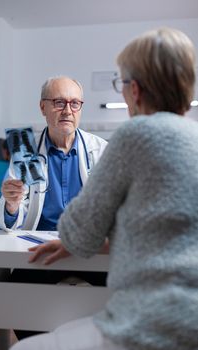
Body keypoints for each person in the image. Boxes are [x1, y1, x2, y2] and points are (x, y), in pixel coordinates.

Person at [10, 27, 198, 350]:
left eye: (121, 84)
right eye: (59, 102)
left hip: (149, 321)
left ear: (135, 90)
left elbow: (80, 234)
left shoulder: (132, 135)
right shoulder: (194, 136)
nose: (67, 110)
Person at [0, 76, 107, 231]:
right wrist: (11, 204)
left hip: (86, 242)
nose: (67, 111)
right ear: (42, 107)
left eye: (74, 103)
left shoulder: (100, 149)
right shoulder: (26, 151)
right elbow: (14, 213)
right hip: (40, 243)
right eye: (59, 103)